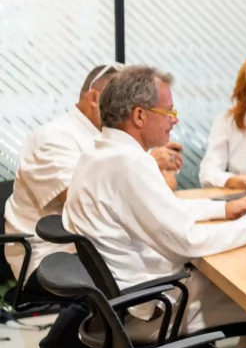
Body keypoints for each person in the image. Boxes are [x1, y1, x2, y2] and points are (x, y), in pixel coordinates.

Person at [1, 66, 246, 348]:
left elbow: (162, 210)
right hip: (150, 310)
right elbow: (186, 240)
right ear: (139, 115)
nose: (175, 121)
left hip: (121, 303)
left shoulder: (101, 152)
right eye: (169, 112)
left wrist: (221, 211)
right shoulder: (128, 163)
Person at [3, 63, 182, 289]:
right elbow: (81, 199)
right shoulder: (52, 138)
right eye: (120, 101)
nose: (127, 111)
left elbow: (166, 186)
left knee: (177, 259)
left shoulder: (109, 140)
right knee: (176, 267)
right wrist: (150, 164)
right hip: (53, 255)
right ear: (95, 99)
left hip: (90, 245)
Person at [198, 54, 246, 189]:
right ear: (244, 84)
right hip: (242, 198)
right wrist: (236, 180)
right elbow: (207, 172)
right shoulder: (227, 121)